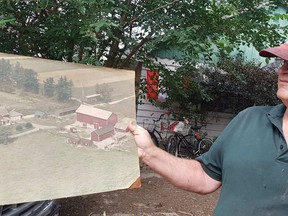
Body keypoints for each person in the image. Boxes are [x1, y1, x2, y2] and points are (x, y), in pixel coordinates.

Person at [128, 42, 288, 216]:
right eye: (283, 62)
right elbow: (205, 177)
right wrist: (148, 151)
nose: (283, 70)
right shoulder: (249, 119)